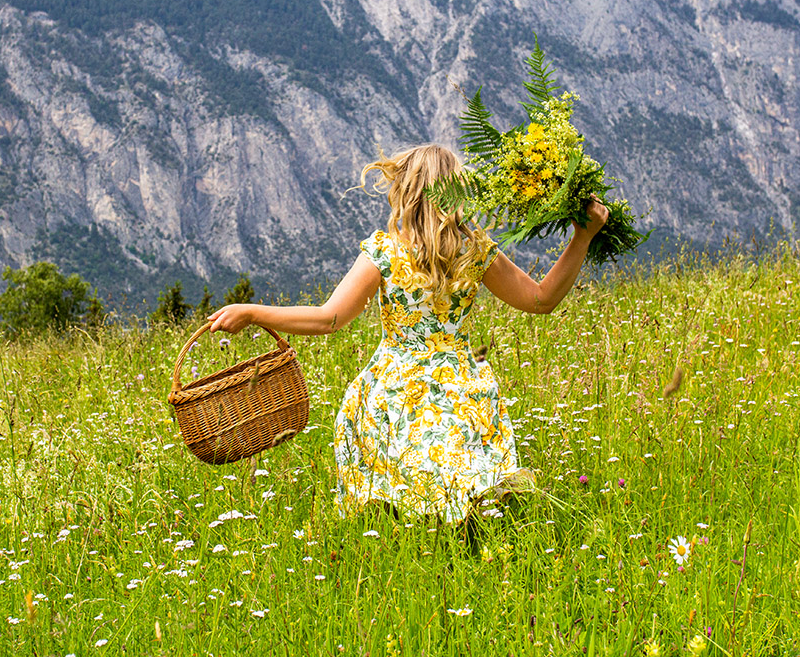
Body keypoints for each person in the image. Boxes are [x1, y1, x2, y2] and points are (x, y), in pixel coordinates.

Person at [207, 144, 608, 524]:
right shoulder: (477, 251)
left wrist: (254, 312)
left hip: (394, 386)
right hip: (462, 382)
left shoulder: (385, 251)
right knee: (454, 452)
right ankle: (480, 503)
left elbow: (328, 319)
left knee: (400, 458)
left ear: (408, 193)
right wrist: (582, 237)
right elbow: (540, 300)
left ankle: (419, 524)